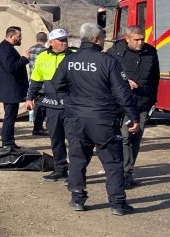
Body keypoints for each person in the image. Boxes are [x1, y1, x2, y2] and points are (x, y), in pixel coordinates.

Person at [51, 23, 140, 215]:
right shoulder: (109, 61)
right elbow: (122, 92)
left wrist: (69, 103)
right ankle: (117, 204)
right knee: (112, 162)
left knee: (77, 159)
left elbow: (57, 84)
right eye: (102, 38)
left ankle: (77, 199)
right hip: (103, 119)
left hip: (76, 119)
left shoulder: (69, 60)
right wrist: (133, 116)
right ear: (96, 39)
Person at [108, 25, 160, 187]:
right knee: (124, 138)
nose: (140, 43)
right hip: (121, 104)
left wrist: (152, 101)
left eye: (142, 39)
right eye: (136, 40)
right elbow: (106, 77)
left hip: (142, 103)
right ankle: (120, 172)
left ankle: (128, 172)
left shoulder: (151, 52)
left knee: (135, 139)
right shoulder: (114, 53)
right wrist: (123, 82)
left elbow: (155, 77)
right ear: (127, 39)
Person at [25, 29, 75, 181]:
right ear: (51, 42)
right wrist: (29, 97)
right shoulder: (42, 56)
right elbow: (36, 79)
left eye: (65, 39)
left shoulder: (74, 55)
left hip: (70, 105)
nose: (64, 42)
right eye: (60, 40)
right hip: (52, 105)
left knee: (74, 140)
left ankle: (75, 173)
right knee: (56, 138)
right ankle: (60, 169)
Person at [0, 26, 29, 149]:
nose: (20, 39)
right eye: (19, 36)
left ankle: (9, 141)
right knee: (9, 117)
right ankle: (7, 143)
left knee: (11, 117)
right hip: (9, 91)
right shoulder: (5, 49)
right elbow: (10, 68)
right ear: (11, 36)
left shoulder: (8, 48)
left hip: (11, 90)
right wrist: (24, 59)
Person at [27, 32, 49, 135]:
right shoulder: (45, 51)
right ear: (46, 39)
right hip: (43, 82)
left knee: (37, 105)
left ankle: (37, 126)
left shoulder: (30, 50)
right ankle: (38, 128)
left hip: (33, 80)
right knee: (43, 106)